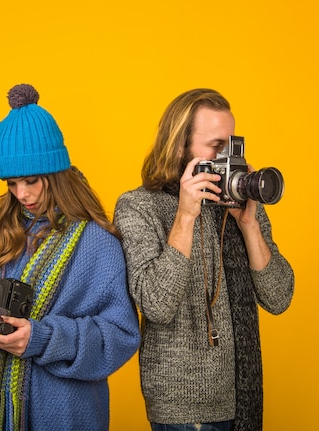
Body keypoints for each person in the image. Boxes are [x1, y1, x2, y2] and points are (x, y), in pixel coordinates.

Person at [0, 83, 141, 431]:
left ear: (55, 173)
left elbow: (120, 335)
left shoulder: (97, 243)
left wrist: (42, 338)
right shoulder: (0, 230)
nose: (22, 194)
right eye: (11, 183)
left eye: (31, 180)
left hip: (63, 415)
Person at [113, 88, 294, 431]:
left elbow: (279, 296)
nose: (229, 158)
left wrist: (250, 224)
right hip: (184, 407)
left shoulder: (241, 204)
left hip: (243, 393)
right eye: (216, 147)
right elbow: (155, 304)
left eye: (233, 146)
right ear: (181, 146)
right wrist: (185, 217)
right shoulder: (139, 207)